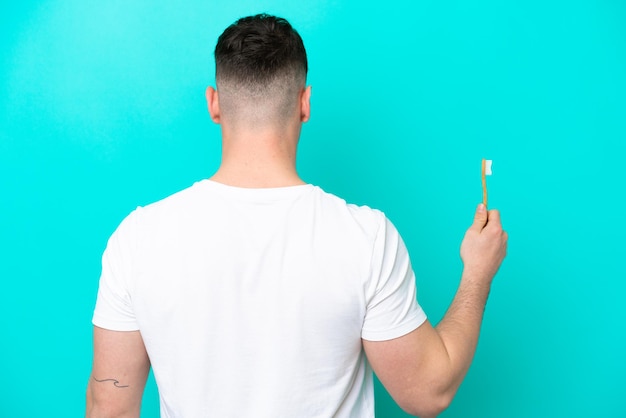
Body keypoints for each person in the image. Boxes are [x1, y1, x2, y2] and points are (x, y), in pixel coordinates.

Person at [86, 13, 507, 418]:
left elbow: (109, 407)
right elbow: (429, 392)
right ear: (305, 103)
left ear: (214, 103)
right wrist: (477, 274)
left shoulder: (138, 238)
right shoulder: (366, 238)